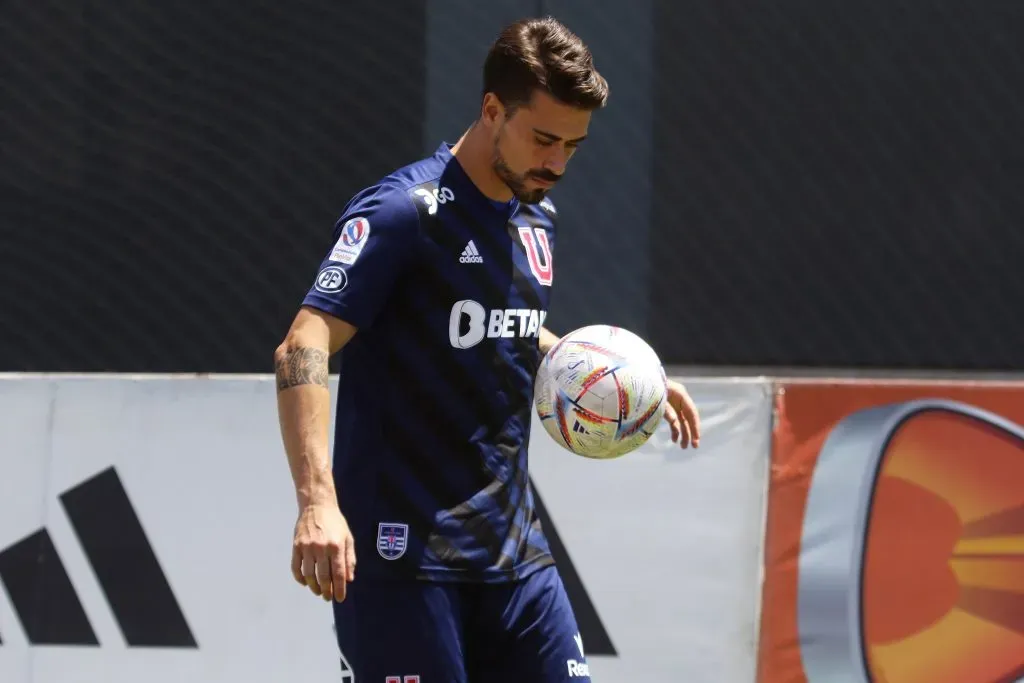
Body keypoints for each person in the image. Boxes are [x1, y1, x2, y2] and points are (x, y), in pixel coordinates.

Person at [273, 15, 701, 682]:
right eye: (545, 139)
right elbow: (303, 344)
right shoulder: (403, 213)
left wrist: (619, 376)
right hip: (402, 563)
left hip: (515, 558)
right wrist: (316, 502)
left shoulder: (536, 219)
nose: (557, 163)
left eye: (573, 147)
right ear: (492, 109)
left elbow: (507, 325)